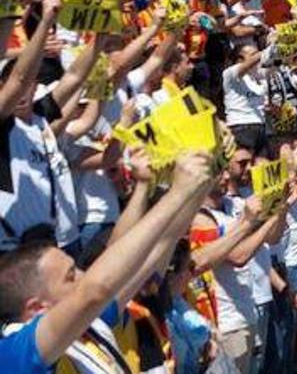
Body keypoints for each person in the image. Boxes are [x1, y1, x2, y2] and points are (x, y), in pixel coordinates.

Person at [0, 151, 215, 372]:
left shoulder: (90, 326)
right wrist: (177, 194)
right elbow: (93, 292)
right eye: (71, 276)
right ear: (37, 308)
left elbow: (160, 247)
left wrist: (203, 178)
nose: (85, 275)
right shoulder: (13, 357)